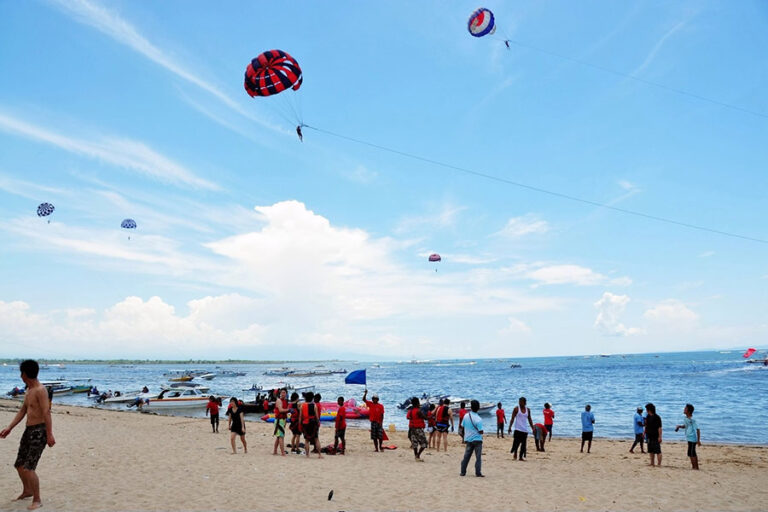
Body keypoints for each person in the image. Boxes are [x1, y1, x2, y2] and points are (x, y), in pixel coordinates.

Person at [0, 360, 55, 511]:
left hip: (40, 431)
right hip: (28, 431)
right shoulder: (29, 390)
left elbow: (46, 412)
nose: (20, 376)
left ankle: (37, 499)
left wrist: (50, 434)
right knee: (19, 465)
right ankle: (27, 491)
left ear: (24, 374)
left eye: (21, 373)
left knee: (29, 468)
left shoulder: (40, 390)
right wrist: (9, 427)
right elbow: (23, 410)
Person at [459, 400, 484, 477]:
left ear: (471, 407)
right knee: (478, 457)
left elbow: (462, 426)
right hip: (477, 439)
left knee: (466, 456)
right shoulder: (479, 419)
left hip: (468, 439)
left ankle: (463, 472)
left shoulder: (466, 416)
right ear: (478, 408)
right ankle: (478, 472)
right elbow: (481, 431)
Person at [509, 397, 535, 461]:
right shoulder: (516, 409)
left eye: (521, 402)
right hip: (517, 429)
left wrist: (533, 428)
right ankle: (515, 453)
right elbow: (512, 418)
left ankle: (521, 457)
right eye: (519, 402)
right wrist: (510, 427)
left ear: (525, 403)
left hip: (524, 430)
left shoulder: (528, 410)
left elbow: (530, 419)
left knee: (523, 444)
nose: (520, 403)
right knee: (516, 443)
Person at [676, 403, 700, 470]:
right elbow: (685, 426)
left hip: (693, 438)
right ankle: (693, 466)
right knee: (690, 453)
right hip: (689, 438)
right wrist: (679, 426)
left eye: (685, 409)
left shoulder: (693, 420)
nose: (684, 409)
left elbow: (698, 429)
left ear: (689, 411)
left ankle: (696, 467)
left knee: (693, 452)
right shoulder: (686, 418)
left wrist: (698, 440)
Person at [300, 391, 323, 458]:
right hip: (313, 423)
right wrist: (318, 423)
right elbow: (317, 416)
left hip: (305, 423)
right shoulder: (314, 405)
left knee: (306, 440)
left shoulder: (302, 405)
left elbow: (301, 417)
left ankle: (307, 455)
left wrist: (300, 424)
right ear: (312, 398)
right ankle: (319, 454)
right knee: (316, 439)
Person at [272, 389, 290, 456]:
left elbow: (285, 411)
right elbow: (281, 410)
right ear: (280, 393)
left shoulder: (285, 401)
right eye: (282, 392)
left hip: (283, 420)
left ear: (286, 393)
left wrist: (286, 420)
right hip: (279, 420)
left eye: (284, 392)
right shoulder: (279, 401)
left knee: (278, 436)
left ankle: (275, 451)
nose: (283, 394)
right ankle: (282, 452)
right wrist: (289, 410)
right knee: (281, 436)